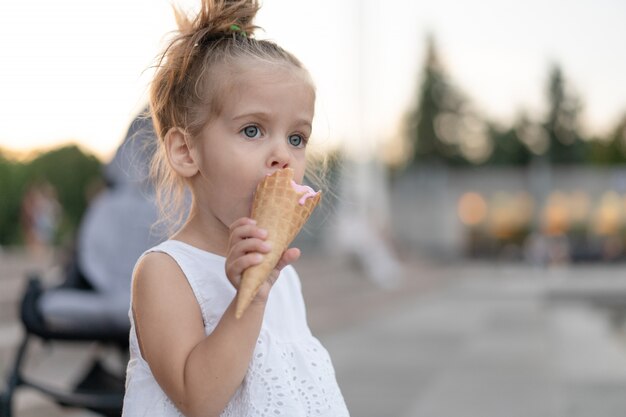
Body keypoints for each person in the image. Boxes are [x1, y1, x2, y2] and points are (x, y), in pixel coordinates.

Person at [121, 1, 349, 416]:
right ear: (186, 151)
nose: (283, 154)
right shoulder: (165, 272)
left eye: (297, 138)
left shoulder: (286, 280)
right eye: (252, 130)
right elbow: (199, 399)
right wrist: (251, 299)